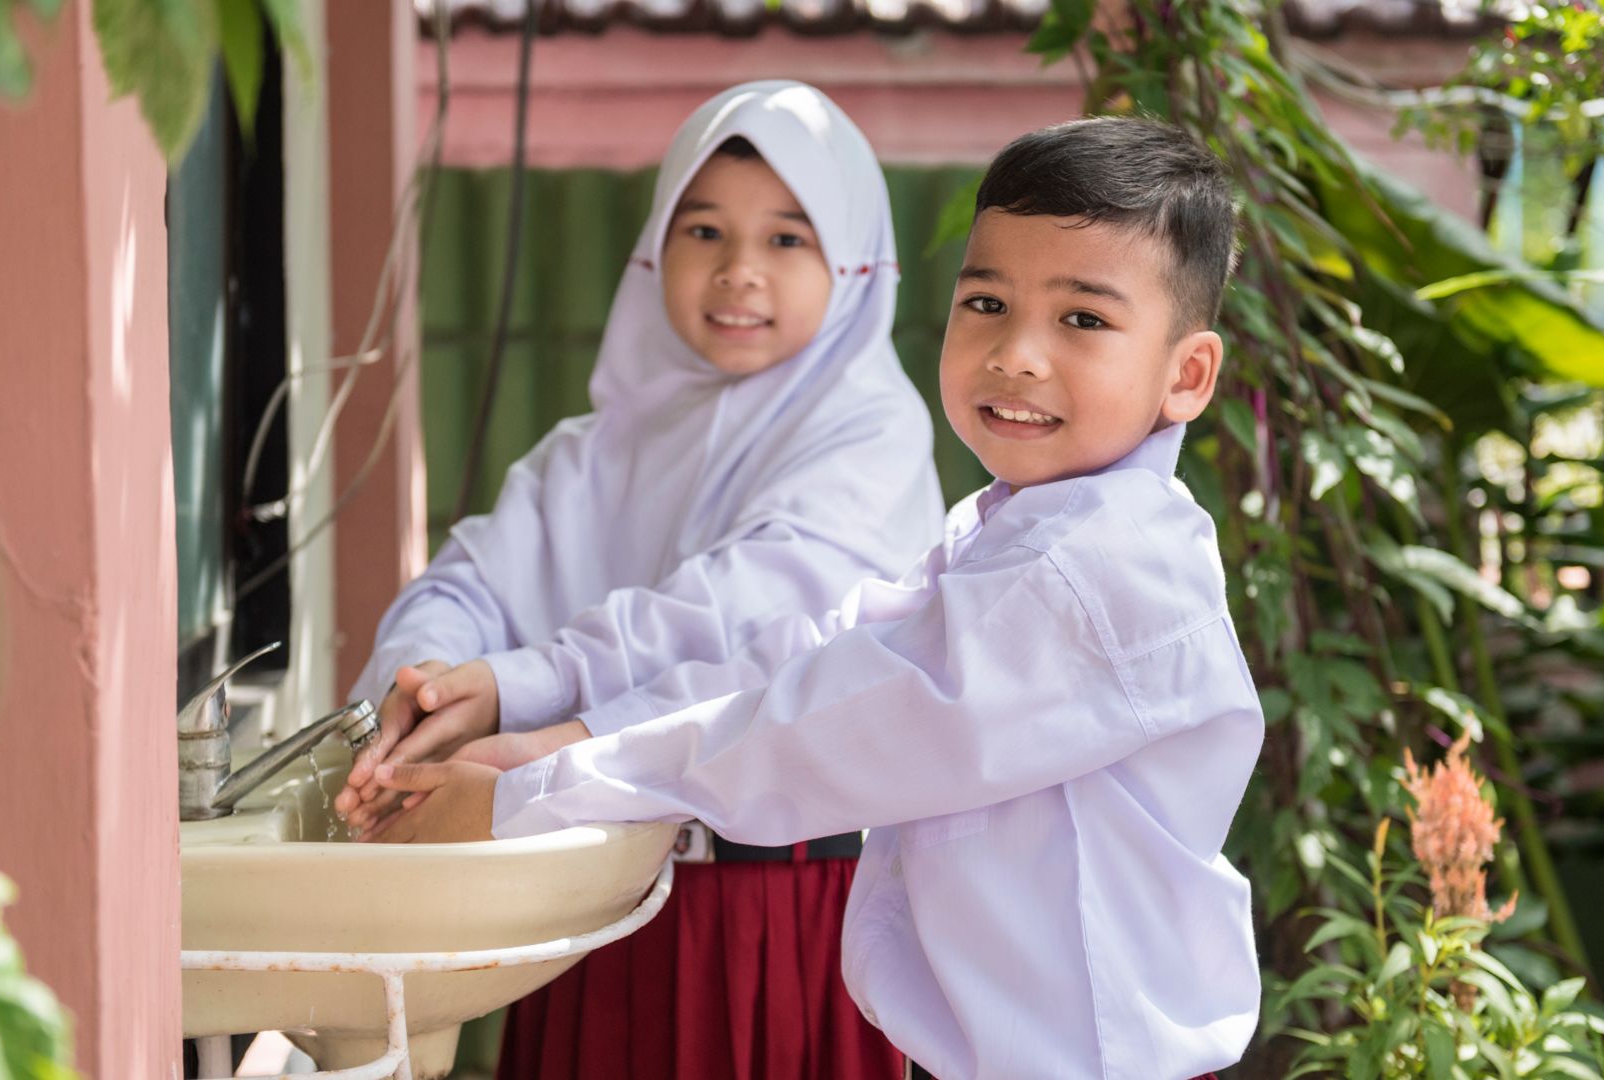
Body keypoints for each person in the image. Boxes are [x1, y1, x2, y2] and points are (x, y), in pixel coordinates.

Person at [373, 116, 1264, 1080]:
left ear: (1187, 376)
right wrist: (556, 744)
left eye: (1082, 319)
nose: (1018, 354)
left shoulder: (1088, 572)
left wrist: (534, 785)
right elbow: (818, 650)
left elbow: (820, 724)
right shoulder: (1009, 527)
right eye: (986, 302)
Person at [341, 81, 941, 1080]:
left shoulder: (867, 434)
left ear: (855, 260)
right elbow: (467, 583)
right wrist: (430, 685)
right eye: (703, 229)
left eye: (789, 240)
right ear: (657, 246)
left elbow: (756, 617)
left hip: (778, 919)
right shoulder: (599, 449)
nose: (739, 272)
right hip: (588, 910)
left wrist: (525, 687)